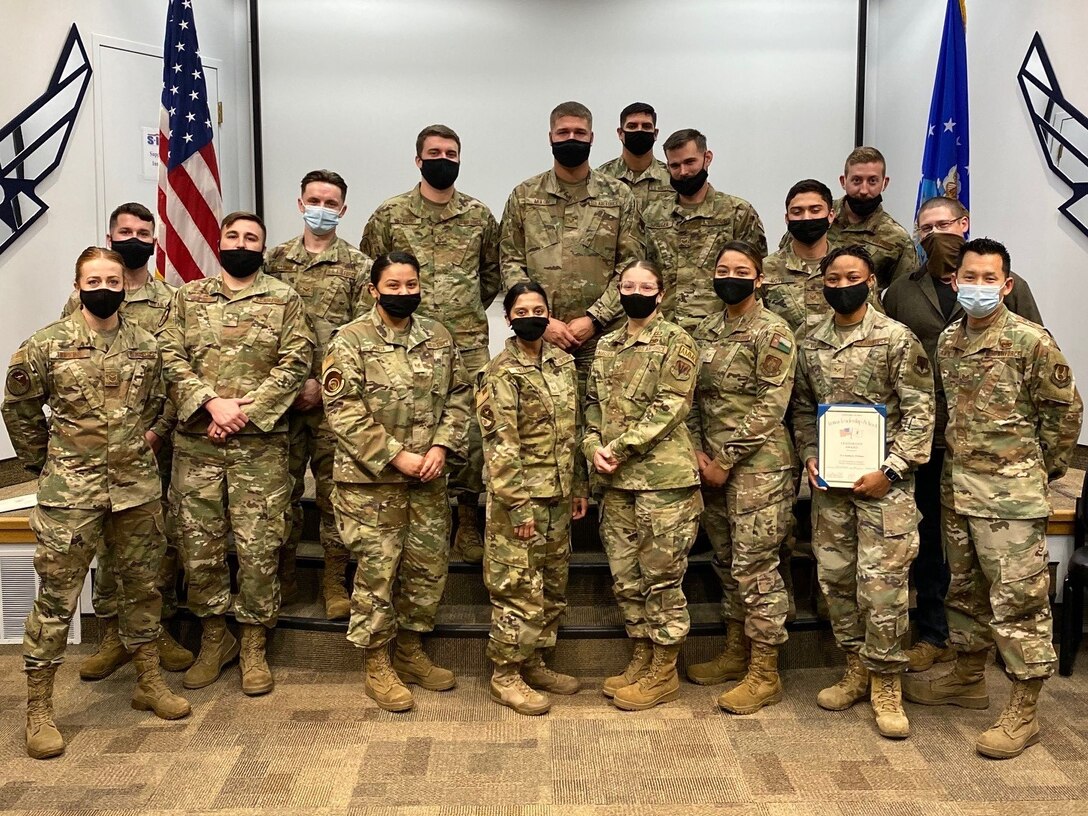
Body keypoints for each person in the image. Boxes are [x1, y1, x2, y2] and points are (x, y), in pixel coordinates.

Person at [4, 247, 190, 760]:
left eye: (113, 278)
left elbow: (160, 399)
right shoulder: (46, 344)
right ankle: (39, 708)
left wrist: (148, 435)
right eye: (95, 278)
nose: (106, 285)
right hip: (72, 492)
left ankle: (149, 680)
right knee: (56, 598)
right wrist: (47, 462)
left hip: (135, 488)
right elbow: (18, 408)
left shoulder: (146, 345)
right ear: (78, 283)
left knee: (142, 588)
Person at [903, 238, 1082, 759]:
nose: (977, 286)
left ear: (1006, 285)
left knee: (1018, 603)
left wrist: (1036, 470)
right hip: (958, 489)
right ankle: (966, 677)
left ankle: (1024, 711)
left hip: (1010, 499)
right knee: (964, 592)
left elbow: (1065, 415)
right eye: (969, 277)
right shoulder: (950, 341)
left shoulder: (1032, 342)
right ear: (954, 282)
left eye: (989, 278)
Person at [883, 198, 1044, 673]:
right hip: (928, 442)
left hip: (995, 451)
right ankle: (936, 634)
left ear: (965, 223)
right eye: (927, 226)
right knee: (935, 543)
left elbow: (1044, 379)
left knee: (998, 560)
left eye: (946, 224)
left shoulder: (1004, 288)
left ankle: (995, 647)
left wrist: (1040, 459)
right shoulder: (900, 291)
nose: (938, 234)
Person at [160, 211, 315, 697]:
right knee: (199, 549)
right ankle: (214, 638)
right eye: (234, 235)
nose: (242, 243)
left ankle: (252, 644)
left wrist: (245, 412)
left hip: (260, 447)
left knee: (258, 550)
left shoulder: (284, 297)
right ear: (219, 241)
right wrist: (211, 404)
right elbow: (167, 355)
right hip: (198, 444)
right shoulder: (188, 296)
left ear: (263, 248)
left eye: (252, 237)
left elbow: (298, 360)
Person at [792, 245, 934, 739]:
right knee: (835, 581)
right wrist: (810, 453)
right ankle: (855, 667)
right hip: (831, 489)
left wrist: (891, 471)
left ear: (871, 281)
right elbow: (803, 408)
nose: (841, 284)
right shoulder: (809, 340)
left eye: (851, 276)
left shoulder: (897, 338)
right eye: (832, 278)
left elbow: (921, 413)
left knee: (884, 588)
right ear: (822, 283)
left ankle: (887, 682)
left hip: (884, 490)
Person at [323, 251, 471, 713]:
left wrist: (442, 447)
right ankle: (377, 662)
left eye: (411, 285)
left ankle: (410, 651)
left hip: (427, 481)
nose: (404, 294)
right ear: (374, 290)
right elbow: (343, 410)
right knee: (376, 574)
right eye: (394, 286)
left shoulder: (439, 337)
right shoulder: (350, 341)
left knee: (427, 572)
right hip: (371, 486)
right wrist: (395, 456)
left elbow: (462, 395)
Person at [59, 203, 193, 679]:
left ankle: (156, 630)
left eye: (143, 231)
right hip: (97, 453)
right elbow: (66, 371)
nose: (134, 237)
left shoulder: (173, 300)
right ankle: (113, 633)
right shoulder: (82, 300)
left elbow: (177, 373)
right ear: (110, 237)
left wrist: (158, 432)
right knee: (103, 543)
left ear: (154, 238)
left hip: (154, 443)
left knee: (155, 541)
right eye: (125, 231)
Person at [362, 126, 501, 564]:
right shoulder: (391, 214)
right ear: (418, 160)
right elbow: (373, 271)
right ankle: (420, 519)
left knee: (473, 432)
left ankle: (467, 520)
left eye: (452, 152)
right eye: (435, 152)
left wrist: (456, 316)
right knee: (409, 424)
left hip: (466, 343)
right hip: (403, 344)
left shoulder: (479, 215)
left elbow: (491, 276)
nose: (444, 158)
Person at [584, 259, 702, 712]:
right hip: (616, 485)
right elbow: (593, 404)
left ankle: (665, 669)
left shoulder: (677, 342)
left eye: (644, 285)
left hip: (662, 483)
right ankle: (642, 654)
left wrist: (621, 448)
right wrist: (592, 445)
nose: (635, 291)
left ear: (660, 292)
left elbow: (671, 405)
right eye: (627, 285)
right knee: (626, 577)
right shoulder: (609, 344)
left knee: (662, 578)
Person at [684, 242, 797, 714]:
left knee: (756, 568)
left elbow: (771, 405)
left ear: (760, 278)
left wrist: (725, 459)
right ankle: (736, 651)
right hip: (710, 465)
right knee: (727, 561)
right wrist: (696, 451)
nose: (730, 276)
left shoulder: (771, 332)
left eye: (741, 270)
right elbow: (688, 394)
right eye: (723, 269)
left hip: (758, 468)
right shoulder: (707, 329)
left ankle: (764, 669)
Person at [476, 281, 588, 715]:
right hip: (518, 502)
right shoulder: (498, 373)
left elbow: (573, 432)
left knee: (552, 586)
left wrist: (577, 486)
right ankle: (505, 674)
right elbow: (500, 446)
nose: (531, 316)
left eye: (539, 308)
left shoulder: (562, 364)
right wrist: (517, 505)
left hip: (558, 496)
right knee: (517, 588)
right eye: (521, 310)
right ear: (508, 319)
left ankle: (535, 662)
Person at [264, 169, 372, 620]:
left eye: (331, 203)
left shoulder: (361, 266)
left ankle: (333, 580)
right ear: (300, 202)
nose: (322, 209)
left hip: (335, 402)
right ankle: (285, 574)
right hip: (280, 403)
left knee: (334, 494)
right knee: (278, 492)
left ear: (343, 210)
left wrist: (320, 383)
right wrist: (290, 385)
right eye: (314, 200)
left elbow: (362, 336)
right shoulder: (273, 261)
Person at [499, 100, 644, 399]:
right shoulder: (525, 195)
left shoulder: (618, 196)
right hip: (538, 338)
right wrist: (540, 320)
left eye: (579, 133)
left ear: (592, 138)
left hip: (603, 338)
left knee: (602, 422)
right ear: (550, 137)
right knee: (541, 426)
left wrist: (594, 319)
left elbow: (631, 267)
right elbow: (510, 262)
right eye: (563, 132)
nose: (571, 139)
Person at [644, 129, 767, 334]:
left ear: (707, 158)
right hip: (663, 333)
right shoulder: (653, 215)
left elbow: (757, 280)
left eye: (690, 162)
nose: (683, 172)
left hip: (721, 333)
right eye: (675, 165)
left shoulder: (738, 212)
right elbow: (644, 272)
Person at [827, 147, 917, 289]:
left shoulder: (897, 238)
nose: (864, 190)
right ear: (843, 181)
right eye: (856, 180)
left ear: (884, 183)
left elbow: (903, 295)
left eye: (872, 181)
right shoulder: (819, 218)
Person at [761, 179, 839, 333]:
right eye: (797, 212)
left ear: (830, 216)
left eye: (815, 210)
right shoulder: (766, 269)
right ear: (787, 218)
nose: (806, 218)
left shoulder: (850, 266)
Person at [595, 102, 673, 211]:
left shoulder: (673, 179)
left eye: (646, 126)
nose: (639, 130)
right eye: (632, 126)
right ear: (620, 133)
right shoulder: (599, 178)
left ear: (655, 134)